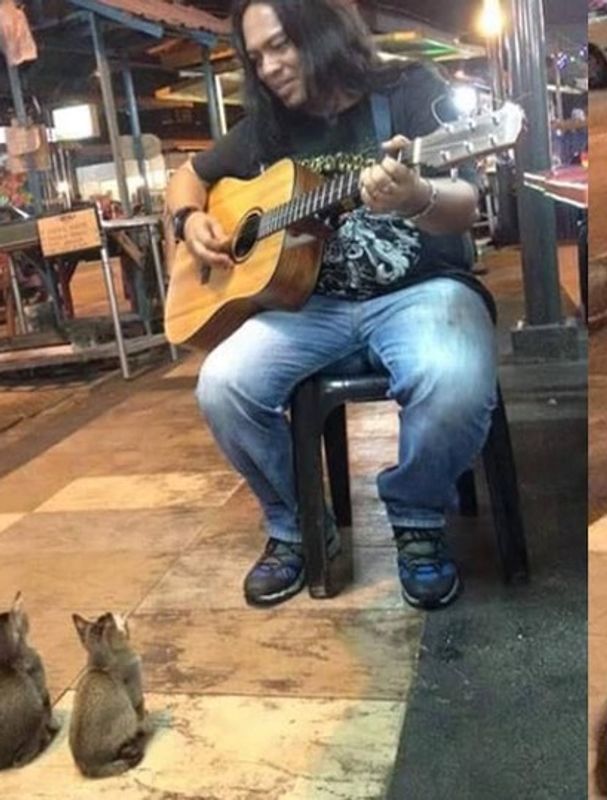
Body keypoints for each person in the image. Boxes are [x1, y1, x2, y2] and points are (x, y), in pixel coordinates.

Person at [164, 0, 495, 611]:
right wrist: (189, 220)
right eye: (256, 55)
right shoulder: (269, 128)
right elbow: (187, 174)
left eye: (281, 45)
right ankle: (298, 527)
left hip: (421, 290)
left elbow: (464, 204)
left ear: (320, 30)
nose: (268, 68)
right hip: (309, 306)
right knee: (222, 385)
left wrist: (416, 194)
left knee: (451, 374)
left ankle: (418, 517)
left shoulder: (407, 89)